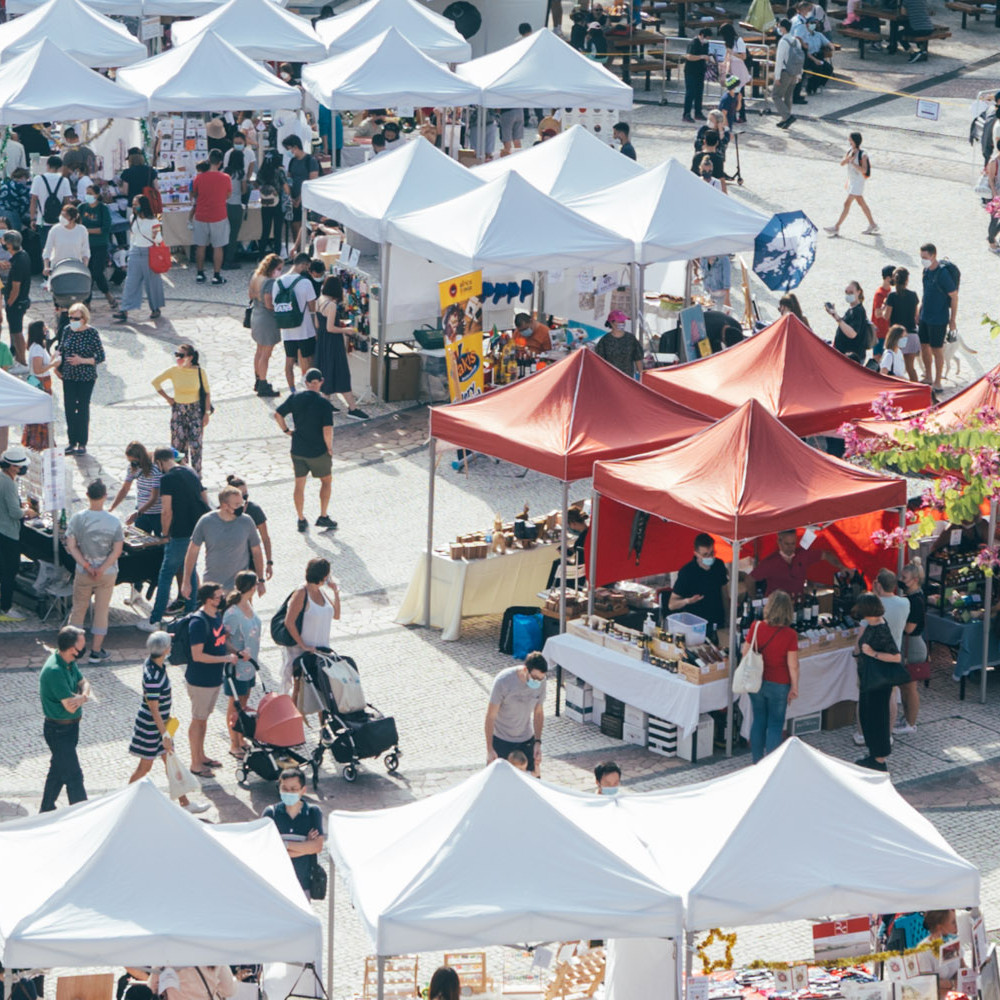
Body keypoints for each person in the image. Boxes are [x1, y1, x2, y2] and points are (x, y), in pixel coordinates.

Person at [128, 630, 210, 813]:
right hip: (152, 728)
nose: (171, 647)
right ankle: (124, 800)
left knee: (170, 763)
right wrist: (164, 733)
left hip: (159, 725)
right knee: (144, 767)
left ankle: (185, 803)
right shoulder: (153, 677)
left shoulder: (154, 664)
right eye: (169, 645)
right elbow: (153, 708)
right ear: (165, 649)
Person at [138, 448, 208, 633]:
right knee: (189, 569)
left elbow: (166, 510)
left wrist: (164, 532)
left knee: (166, 573)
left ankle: (155, 618)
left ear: (160, 462)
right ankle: (191, 612)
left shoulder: (167, 479)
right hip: (196, 530)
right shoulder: (190, 471)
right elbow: (203, 496)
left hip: (179, 532)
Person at [65, 479, 124, 663]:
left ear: (87, 495)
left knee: (78, 609)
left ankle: (72, 649)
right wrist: (102, 568)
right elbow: (117, 550)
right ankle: (96, 651)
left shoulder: (78, 518)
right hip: (106, 573)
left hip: (84, 571)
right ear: (105, 496)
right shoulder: (114, 521)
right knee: (101, 611)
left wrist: (87, 566)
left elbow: (72, 546)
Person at [186, 581, 239, 778]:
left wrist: (234, 650)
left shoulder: (215, 615)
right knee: (197, 720)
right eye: (218, 596)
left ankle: (201, 756)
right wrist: (225, 658)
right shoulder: (198, 622)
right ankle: (195, 763)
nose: (222, 599)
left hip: (213, 678)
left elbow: (219, 641)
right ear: (208, 600)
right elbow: (197, 655)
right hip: (200, 679)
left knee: (203, 719)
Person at [275, 368, 336, 533]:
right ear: (321, 382)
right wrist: (329, 448)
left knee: (299, 485)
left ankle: (301, 519)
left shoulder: (295, 397)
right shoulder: (324, 403)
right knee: (326, 481)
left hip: (298, 449)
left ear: (306, 383)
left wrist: (287, 431)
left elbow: (278, 414)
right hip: (318, 451)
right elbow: (327, 430)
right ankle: (323, 515)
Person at [742, 589, 799, 763]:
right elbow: (793, 665)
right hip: (779, 683)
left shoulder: (756, 626)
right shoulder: (790, 635)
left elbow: (745, 653)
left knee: (759, 719)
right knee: (775, 724)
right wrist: (795, 687)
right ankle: (771, 765)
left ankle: (757, 762)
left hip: (757, 681)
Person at [39, 625, 91, 811]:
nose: (84, 650)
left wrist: (81, 697)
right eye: (82, 647)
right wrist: (82, 697)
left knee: (58, 772)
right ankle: (82, 814)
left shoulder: (69, 661)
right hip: (58, 731)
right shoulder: (54, 670)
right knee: (74, 776)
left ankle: (46, 809)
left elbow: (84, 683)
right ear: (71, 649)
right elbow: (69, 707)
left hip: (69, 730)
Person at [181, 485, 264, 596]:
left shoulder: (247, 521)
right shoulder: (206, 522)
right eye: (237, 505)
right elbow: (192, 552)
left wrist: (261, 580)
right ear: (224, 505)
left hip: (239, 588)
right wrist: (186, 582)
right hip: (213, 586)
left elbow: (257, 551)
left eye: (242, 503)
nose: (241, 507)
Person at [852, 591, 901, 772]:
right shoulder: (873, 625)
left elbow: (896, 657)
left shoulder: (881, 629)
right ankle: (874, 755)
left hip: (878, 682)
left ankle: (879, 759)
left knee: (877, 718)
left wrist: (873, 653)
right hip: (869, 680)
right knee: (868, 717)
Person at [262, 767, 324, 899]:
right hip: (276, 886)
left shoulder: (313, 812)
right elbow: (267, 850)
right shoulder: (271, 813)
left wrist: (283, 845)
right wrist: (306, 846)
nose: (289, 793)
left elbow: (317, 847)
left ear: (303, 790)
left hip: (304, 884)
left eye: (294, 789)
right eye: (285, 789)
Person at [281, 557, 341, 691]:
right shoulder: (302, 592)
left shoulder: (321, 591)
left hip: (322, 650)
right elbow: (289, 622)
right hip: (302, 652)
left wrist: (336, 592)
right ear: (325, 576)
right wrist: (303, 645)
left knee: (322, 691)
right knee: (300, 691)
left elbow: (336, 615)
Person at [151, 343, 211, 476]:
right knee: (178, 446)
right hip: (178, 410)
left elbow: (207, 393)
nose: (178, 358)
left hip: (195, 411)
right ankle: (181, 475)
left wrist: (207, 413)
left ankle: (196, 477)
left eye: (181, 355)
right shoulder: (173, 371)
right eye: (176, 354)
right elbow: (155, 382)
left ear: (190, 357)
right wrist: (168, 398)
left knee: (196, 445)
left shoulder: (200, 372)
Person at [315, 275, 369, 418]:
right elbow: (330, 328)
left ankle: (325, 406)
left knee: (326, 372)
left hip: (322, 342)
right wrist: (346, 330)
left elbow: (317, 325)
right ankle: (352, 409)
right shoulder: (331, 305)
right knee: (341, 373)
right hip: (333, 343)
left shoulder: (318, 300)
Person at [485, 650, 547, 773]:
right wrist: (490, 749)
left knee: (531, 781)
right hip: (501, 739)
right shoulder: (503, 681)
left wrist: (538, 742)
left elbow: (538, 712)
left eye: (541, 679)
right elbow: (490, 716)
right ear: (525, 670)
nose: (537, 682)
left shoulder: (541, 682)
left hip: (526, 739)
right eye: (534, 678)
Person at [58, 302, 105, 457]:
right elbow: (61, 349)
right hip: (69, 375)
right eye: (70, 317)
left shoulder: (92, 333)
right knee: (70, 407)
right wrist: (56, 366)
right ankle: (72, 441)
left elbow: (100, 356)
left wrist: (82, 360)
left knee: (82, 408)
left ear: (84, 318)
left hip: (86, 376)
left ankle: (82, 442)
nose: (72, 320)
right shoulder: (67, 330)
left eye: (76, 317)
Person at [223, 570, 261, 759]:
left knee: (244, 702)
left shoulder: (248, 604)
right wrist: (237, 653)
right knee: (235, 704)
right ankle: (233, 743)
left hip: (250, 664)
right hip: (237, 666)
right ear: (251, 587)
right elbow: (224, 639)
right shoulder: (233, 613)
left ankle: (241, 737)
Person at [112, 194, 165, 324]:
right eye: (134, 204)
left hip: (149, 252)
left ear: (144, 205)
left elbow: (159, 239)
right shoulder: (133, 218)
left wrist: (155, 234)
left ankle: (155, 307)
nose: (134, 206)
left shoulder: (155, 220)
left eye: (137, 204)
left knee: (152, 282)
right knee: (130, 282)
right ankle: (124, 309)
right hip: (135, 251)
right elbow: (133, 236)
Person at [750, 530, 846, 596]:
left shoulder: (802, 554)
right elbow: (749, 579)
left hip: (798, 606)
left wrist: (842, 567)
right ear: (779, 541)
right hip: (776, 610)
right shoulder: (770, 562)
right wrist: (753, 599)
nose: (790, 547)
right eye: (787, 544)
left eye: (792, 543)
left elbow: (826, 554)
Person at [918, 243, 958, 394]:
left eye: (925, 257)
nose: (923, 260)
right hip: (925, 316)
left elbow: (954, 296)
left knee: (937, 349)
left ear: (933, 255)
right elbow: (925, 293)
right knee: (924, 346)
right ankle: (928, 376)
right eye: (921, 257)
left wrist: (952, 319)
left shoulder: (942, 274)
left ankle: (937, 381)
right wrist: (918, 311)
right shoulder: (926, 271)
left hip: (939, 318)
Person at [275, 253, 318, 393]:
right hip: (304, 328)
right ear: (304, 264)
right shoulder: (305, 282)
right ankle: (309, 388)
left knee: (289, 361)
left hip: (287, 329)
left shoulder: (278, 282)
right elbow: (312, 308)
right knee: (307, 359)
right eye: (307, 266)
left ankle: (292, 390)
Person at [668, 533, 729, 632]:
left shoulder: (719, 565)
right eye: (705, 555)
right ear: (696, 553)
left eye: (712, 553)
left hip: (718, 622)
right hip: (695, 625)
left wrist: (728, 620)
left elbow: (725, 595)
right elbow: (671, 604)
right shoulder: (687, 572)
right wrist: (687, 601)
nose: (710, 557)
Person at [0, 446, 32, 622]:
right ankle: (5, 607)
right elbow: (14, 512)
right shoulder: (8, 484)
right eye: (20, 467)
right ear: (12, 467)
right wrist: (27, 511)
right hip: (8, 533)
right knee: (9, 571)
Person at [895, 560, 927, 736]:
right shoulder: (915, 596)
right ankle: (907, 718)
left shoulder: (915, 601)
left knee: (910, 687)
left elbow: (909, 628)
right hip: (910, 645)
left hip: (913, 646)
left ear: (914, 579)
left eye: (904, 577)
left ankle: (910, 723)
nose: (901, 580)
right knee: (905, 686)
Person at [191, 148, 231, 286]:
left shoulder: (199, 177)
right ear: (220, 163)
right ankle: (216, 275)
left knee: (200, 246)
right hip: (219, 215)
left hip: (201, 214)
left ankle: (200, 273)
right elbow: (228, 195)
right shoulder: (225, 178)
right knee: (218, 247)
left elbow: (194, 194)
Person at [825, 132, 877, 237]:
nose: (849, 142)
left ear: (855, 141)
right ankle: (872, 224)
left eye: (850, 140)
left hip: (858, 181)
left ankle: (836, 227)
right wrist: (848, 159)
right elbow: (842, 163)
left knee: (846, 203)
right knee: (861, 203)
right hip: (852, 181)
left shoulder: (863, 155)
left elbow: (864, 169)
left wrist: (853, 163)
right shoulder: (849, 151)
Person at [225, 474, 273, 578]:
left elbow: (265, 538)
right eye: (241, 495)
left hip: (250, 558)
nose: (245, 498)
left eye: (246, 494)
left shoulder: (254, 510)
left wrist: (269, 562)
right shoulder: (222, 511)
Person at [110, 441, 162, 535]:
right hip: (142, 513)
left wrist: (137, 514)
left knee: (160, 544)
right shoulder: (132, 468)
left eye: (134, 462)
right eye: (130, 461)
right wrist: (112, 507)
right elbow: (125, 489)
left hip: (157, 513)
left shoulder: (155, 470)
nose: (132, 464)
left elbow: (154, 498)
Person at [248, 253, 282, 398]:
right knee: (266, 354)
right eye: (279, 268)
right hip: (267, 320)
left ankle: (258, 379)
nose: (280, 272)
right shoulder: (269, 282)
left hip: (256, 315)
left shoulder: (255, 276)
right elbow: (269, 304)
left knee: (259, 351)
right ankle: (263, 383)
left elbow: (250, 295)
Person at [22, 321, 59, 452]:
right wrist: (53, 365)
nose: (46, 331)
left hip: (40, 382)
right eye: (44, 329)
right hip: (41, 383)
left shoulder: (37, 346)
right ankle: (39, 444)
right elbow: (38, 369)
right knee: (41, 415)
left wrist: (54, 357)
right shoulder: (37, 348)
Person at [880, 267, 920, 381]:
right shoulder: (913, 295)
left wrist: (883, 308)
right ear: (907, 280)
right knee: (910, 368)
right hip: (911, 334)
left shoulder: (892, 296)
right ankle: (917, 391)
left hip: (897, 335)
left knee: (895, 368)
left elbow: (886, 316)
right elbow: (916, 317)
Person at [78, 185, 115, 308]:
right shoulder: (82, 207)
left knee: (97, 272)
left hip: (100, 245)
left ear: (97, 195)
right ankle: (87, 301)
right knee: (87, 272)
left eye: (90, 193)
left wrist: (87, 230)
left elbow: (105, 229)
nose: (88, 195)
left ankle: (107, 294)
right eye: (86, 193)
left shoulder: (103, 209)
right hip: (84, 246)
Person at [282, 135, 319, 241]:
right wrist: (291, 197)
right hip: (293, 198)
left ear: (295, 147)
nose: (288, 152)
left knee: (304, 227)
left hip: (305, 199)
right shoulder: (292, 161)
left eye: (289, 149)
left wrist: (300, 198)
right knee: (294, 226)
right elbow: (289, 178)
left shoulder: (310, 160)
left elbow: (311, 182)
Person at [824, 280, 870, 364]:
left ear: (858, 292)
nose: (848, 295)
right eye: (846, 292)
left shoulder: (858, 311)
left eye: (851, 292)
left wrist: (838, 318)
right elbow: (845, 325)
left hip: (852, 358)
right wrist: (835, 315)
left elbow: (852, 333)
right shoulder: (852, 309)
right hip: (844, 355)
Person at [29, 155, 73, 241]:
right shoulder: (64, 181)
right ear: (60, 167)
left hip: (42, 220)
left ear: (47, 165)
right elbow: (67, 202)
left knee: (45, 249)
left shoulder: (38, 179)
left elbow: (33, 200)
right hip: (59, 221)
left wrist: (32, 219)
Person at [4, 229, 31, 364]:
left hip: (16, 302)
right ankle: (20, 358)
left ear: (9, 244)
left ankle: (22, 360)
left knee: (16, 332)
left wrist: (9, 303)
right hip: (22, 300)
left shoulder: (18, 263)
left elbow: (15, 288)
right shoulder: (23, 255)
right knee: (16, 331)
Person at [772, 20, 804, 130]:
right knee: (788, 96)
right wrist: (799, 74)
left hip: (785, 72)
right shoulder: (796, 41)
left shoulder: (783, 41)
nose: (778, 28)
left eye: (779, 26)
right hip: (794, 72)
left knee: (776, 96)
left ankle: (787, 117)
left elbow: (779, 60)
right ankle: (785, 119)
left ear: (784, 28)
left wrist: (777, 77)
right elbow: (800, 59)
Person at [256, 150, 289, 257]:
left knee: (265, 230)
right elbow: (285, 186)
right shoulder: (279, 171)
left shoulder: (262, 170)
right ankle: (276, 255)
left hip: (265, 203)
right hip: (277, 203)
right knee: (277, 232)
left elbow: (257, 184)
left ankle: (261, 255)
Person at [221, 144, 248, 272]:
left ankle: (219, 258)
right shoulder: (241, 173)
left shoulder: (223, 172)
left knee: (222, 233)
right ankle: (229, 260)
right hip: (235, 205)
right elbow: (243, 190)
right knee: (233, 235)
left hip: (222, 205)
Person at [42, 205, 89, 276]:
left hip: (75, 268)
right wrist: (46, 266)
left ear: (73, 218)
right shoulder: (55, 229)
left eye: (65, 216)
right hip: (57, 268)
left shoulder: (82, 230)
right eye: (61, 215)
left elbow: (85, 251)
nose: (62, 218)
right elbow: (47, 250)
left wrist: (84, 268)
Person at [594, 310, 643, 377]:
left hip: (628, 378)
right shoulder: (605, 340)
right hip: (610, 379)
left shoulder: (631, 339)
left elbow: (638, 358)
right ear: (611, 323)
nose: (622, 323)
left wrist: (641, 375)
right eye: (619, 321)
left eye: (623, 321)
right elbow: (599, 361)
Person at [719, 23, 750, 121]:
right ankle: (733, 115)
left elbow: (743, 56)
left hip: (738, 67)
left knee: (739, 93)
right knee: (732, 92)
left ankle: (742, 115)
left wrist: (732, 52)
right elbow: (727, 56)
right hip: (731, 67)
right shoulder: (728, 42)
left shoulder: (739, 41)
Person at [682, 28, 712, 123]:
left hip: (700, 71)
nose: (708, 40)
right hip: (690, 71)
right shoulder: (693, 43)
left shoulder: (706, 44)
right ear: (702, 35)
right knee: (690, 93)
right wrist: (702, 57)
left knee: (699, 93)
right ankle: (686, 114)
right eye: (707, 37)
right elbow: (689, 56)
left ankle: (698, 112)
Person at [870, 264, 894, 362]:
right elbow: (877, 313)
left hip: (887, 330)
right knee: (878, 357)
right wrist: (886, 304)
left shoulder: (889, 291)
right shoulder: (880, 294)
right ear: (888, 278)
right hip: (879, 331)